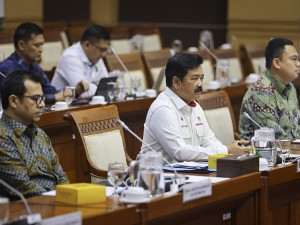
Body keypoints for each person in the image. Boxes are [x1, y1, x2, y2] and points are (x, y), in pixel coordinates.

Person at [141, 53, 249, 163]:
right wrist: (226, 150)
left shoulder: (195, 106)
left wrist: (229, 155)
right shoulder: (163, 109)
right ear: (176, 82)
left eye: (201, 78)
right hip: (157, 176)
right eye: (195, 78)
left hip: (188, 173)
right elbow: (180, 152)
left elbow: (208, 141)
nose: (200, 84)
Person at [0, 70, 69, 200]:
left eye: (42, 98)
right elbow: (23, 186)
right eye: (35, 99)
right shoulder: (2, 137)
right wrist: (61, 198)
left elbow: (60, 176)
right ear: (13, 101)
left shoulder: (39, 133)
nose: (42, 104)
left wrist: (70, 196)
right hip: (26, 209)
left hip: (57, 202)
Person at [0, 22, 88, 104]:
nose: (41, 50)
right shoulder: (7, 67)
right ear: (21, 45)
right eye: (37, 45)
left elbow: (50, 91)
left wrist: (75, 91)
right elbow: (22, 99)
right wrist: (55, 97)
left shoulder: (34, 66)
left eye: (42, 45)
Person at [239, 38, 300, 140]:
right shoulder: (260, 92)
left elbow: (296, 126)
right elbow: (276, 138)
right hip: (261, 153)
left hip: (291, 151)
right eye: (294, 59)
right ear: (276, 63)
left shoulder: (290, 88)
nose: (298, 64)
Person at [51, 24, 111, 99]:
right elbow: (84, 94)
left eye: (105, 50)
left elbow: (108, 87)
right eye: (102, 50)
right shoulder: (70, 57)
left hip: (86, 105)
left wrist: (96, 85)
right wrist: (96, 84)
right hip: (63, 106)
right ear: (87, 45)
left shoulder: (97, 57)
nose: (104, 54)